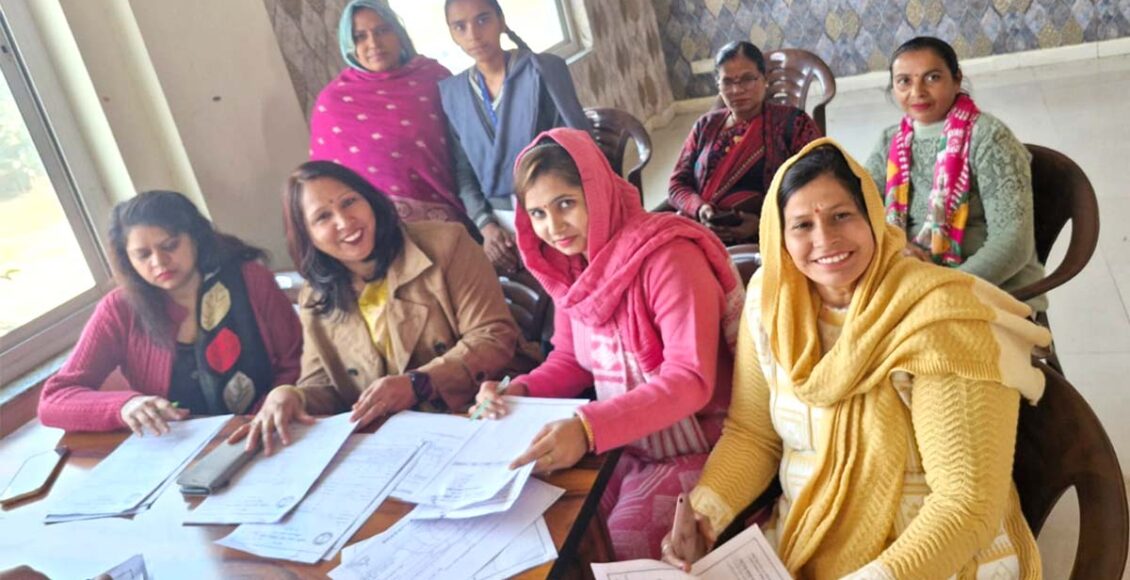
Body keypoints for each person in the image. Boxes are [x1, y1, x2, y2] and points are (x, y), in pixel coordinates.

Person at [661, 140, 1050, 579]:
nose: (825, 239)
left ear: (872, 217)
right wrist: (704, 515)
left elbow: (966, 504)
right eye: (802, 225)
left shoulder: (939, 318)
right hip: (811, 538)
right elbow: (754, 435)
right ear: (780, 237)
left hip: (934, 553)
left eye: (841, 216)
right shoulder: (770, 305)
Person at [473, 128, 745, 560]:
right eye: (538, 213)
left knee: (618, 551)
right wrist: (519, 392)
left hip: (703, 444)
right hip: (626, 442)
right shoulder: (573, 267)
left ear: (596, 194)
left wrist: (587, 429)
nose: (553, 227)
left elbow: (690, 380)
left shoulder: (667, 257)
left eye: (565, 204)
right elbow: (570, 359)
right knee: (550, 535)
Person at [233, 161, 539, 454]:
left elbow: (493, 337)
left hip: (480, 413)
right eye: (323, 217)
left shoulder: (448, 244)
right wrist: (291, 395)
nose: (344, 221)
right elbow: (326, 383)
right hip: (394, 442)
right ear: (307, 235)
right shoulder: (317, 293)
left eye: (349, 201)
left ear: (370, 199)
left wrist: (419, 383)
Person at [38, 191, 302, 435]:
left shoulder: (251, 280)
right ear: (127, 260)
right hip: (180, 448)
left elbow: (298, 361)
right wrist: (125, 406)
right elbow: (54, 400)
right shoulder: (120, 309)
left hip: (267, 430)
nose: (159, 262)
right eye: (142, 255)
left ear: (195, 238)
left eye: (170, 246)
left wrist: (271, 405)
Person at [864, 36, 1046, 311]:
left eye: (932, 77)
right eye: (904, 81)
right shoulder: (891, 141)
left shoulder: (988, 137)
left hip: (990, 288)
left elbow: (1013, 244)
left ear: (957, 79)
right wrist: (894, 248)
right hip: (913, 279)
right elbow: (860, 207)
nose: (918, 92)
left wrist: (942, 287)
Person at [440, 0, 590, 273]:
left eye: (483, 20)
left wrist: (540, 218)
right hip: (499, 222)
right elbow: (463, 172)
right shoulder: (454, 94)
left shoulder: (542, 71)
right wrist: (487, 227)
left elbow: (573, 148)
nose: (473, 34)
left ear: (500, 20)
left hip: (554, 208)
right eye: (460, 26)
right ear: (451, 33)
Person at [309, 1, 467, 225]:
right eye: (360, 36)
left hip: (452, 222)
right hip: (376, 233)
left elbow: (468, 150)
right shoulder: (333, 103)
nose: (373, 43)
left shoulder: (434, 78)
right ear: (349, 44)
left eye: (382, 31)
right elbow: (325, 183)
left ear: (398, 34)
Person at [668, 41, 821, 245]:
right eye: (727, 82)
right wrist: (700, 209)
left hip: (773, 237)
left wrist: (762, 224)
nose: (737, 90)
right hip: (701, 232)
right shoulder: (705, 126)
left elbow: (818, 184)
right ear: (718, 85)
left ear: (765, 79)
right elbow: (677, 184)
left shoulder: (794, 124)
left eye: (748, 79)